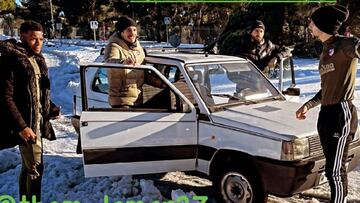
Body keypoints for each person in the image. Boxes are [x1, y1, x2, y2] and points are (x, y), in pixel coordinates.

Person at [296, 5, 359, 203]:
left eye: (312, 22)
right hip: (326, 114)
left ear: (322, 25)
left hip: (342, 113)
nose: (309, 25)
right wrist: (308, 104)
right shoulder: (326, 49)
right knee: (331, 169)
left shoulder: (346, 45)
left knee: (335, 170)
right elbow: (327, 88)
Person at [0, 20, 60, 201]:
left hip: (38, 122)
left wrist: (50, 107)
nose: (39, 43)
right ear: (23, 37)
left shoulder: (37, 60)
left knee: (29, 167)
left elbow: (35, 93)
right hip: (26, 125)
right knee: (35, 167)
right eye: (34, 39)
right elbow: (5, 97)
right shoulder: (12, 61)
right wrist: (22, 127)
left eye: (41, 39)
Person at [104, 16, 163, 108]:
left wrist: (164, 84)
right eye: (128, 30)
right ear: (121, 32)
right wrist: (122, 62)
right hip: (121, 101)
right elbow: (109, 62)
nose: (132, 33)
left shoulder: (139, 49)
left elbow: (145, 74)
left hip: (138, 100)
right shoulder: (114, 46)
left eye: (134, 30)